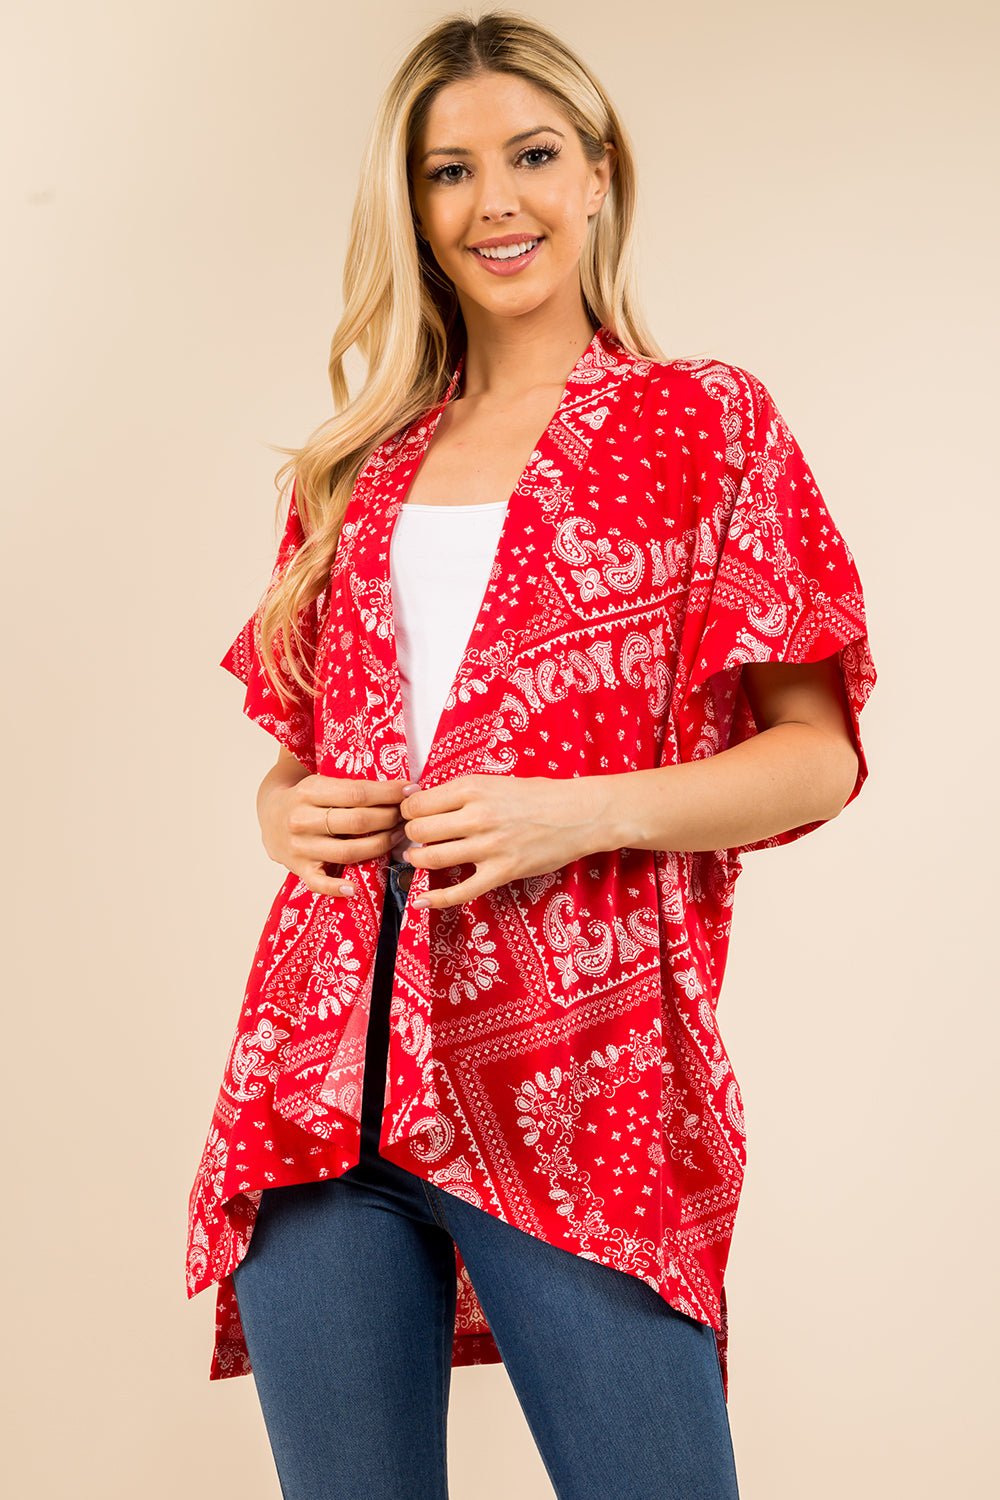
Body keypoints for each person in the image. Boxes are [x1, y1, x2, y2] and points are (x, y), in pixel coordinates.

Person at [186, 11, 875, 1499]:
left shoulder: (703, 422)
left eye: (534, 155)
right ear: (413, 207)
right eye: (450, 171)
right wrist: (282, 813)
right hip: (323, 1081)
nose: (495, 201)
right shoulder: (356, 466)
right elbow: (298, 759)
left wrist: (574, 815)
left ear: (600, 174)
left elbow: (816, 757)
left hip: (579, 1075)